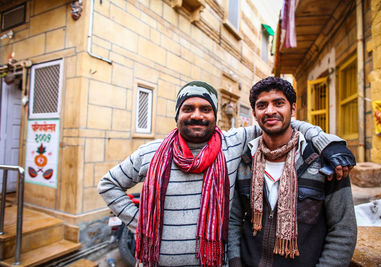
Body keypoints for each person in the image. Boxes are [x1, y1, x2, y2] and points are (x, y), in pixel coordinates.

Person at [98, 81, 355, 267]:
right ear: (177, 114)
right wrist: (141, 223)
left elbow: (280, 122)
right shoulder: (150, 153)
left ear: (215, 117)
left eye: (205, 109)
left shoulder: (231, 145)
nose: (197, 115)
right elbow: (108, 185)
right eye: (188, 108)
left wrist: (327, 143)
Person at [228, 77, 357, 267]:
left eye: (279, 103)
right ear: (255, 114)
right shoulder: (245, 160)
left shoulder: (322, 162)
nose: (270, 111)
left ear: (293, 108)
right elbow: (234, 222)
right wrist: (236, 262)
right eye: (262, 105)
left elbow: (343, 229)